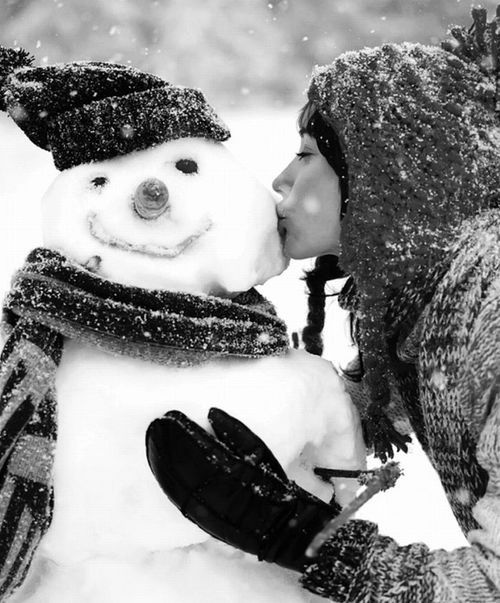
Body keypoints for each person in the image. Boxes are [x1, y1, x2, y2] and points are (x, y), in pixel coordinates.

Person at [146, 7, 500, 601]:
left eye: (308, 153)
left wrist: (303, 539)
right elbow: (369, 400)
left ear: (390, 173)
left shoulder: (486, 307)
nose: (282, 179)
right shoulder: (429, 300)